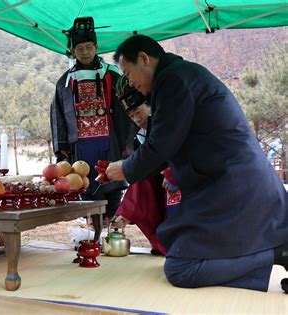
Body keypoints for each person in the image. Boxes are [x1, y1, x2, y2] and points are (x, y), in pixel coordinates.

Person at [106, 34, 288, 293]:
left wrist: (125, 168)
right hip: (227, 181)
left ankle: (277, 253)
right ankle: (275, 251)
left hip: (232, 185)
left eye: (128, 72)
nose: (130, 83)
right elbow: (171, 143)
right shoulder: (182, 75)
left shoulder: (173, 79)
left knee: (182, 269)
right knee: (181, 253)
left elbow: (161, 144)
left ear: (144, 59)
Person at [50, 17, 135, 223]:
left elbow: (127, 111)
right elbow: (58, 117)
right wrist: (62, 150)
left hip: (109, 141)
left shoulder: (112, 75)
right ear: (72, 51)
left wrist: (129, 143)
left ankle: (110, 225)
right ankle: (90, 229)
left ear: (97, 47)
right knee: (83, 185)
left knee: (111, 184)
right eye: (80, 48)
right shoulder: (65, 81)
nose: (85, 52)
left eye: (89, 47)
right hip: (79, 145)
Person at [112, 75, 166, 255]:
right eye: (131, 115)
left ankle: (126, 214)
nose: (136, 119)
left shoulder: (168, 123)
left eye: (138, 111)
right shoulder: (141, 134)